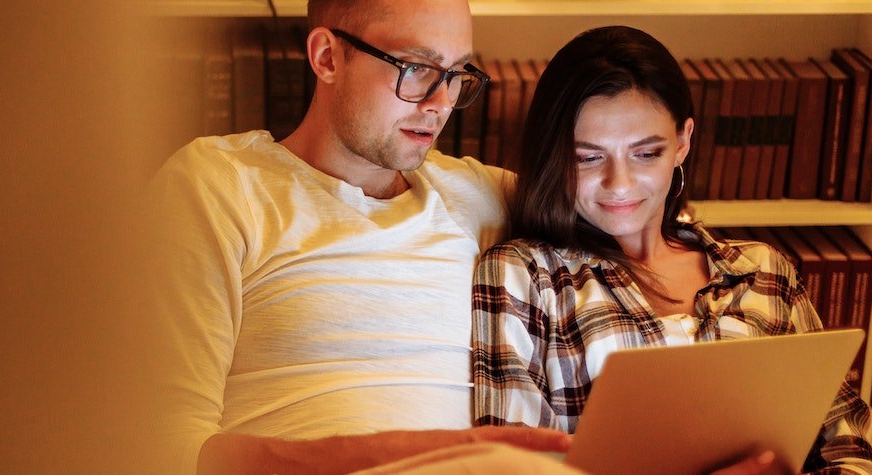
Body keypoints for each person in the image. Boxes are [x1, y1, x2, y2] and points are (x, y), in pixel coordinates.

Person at [142, 1, 575, 473]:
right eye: (416, 68)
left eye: (455, 74)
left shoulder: (482, 194)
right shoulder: (220, 185)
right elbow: (166, 444)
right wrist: (392, 454)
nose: (441, 103)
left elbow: (627, 218)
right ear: (327, 57)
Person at [470, 26, 872, 474]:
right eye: (588, 157)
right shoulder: (523, 276)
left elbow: (849, 451)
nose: (620, 184)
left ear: (683, 142)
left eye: (646, 153)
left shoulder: (763, 271)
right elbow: (508, 464)